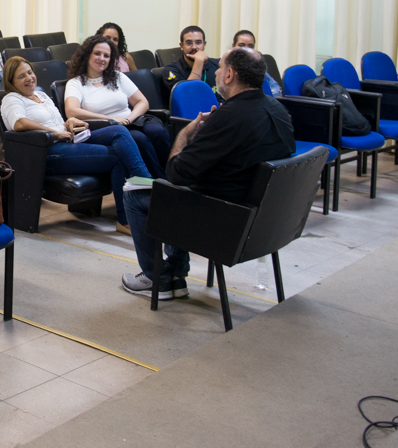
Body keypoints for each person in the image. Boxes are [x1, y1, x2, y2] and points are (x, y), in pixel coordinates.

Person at [121, 47, 295, 300]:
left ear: (229, 75)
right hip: (265, 221)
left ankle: (158, 277)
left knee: (136, 196)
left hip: (223, 221)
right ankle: (175, 274)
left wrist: (187, 134)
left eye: (220, 67)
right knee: (182, 191)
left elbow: (176, 172)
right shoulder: (278, 110)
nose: (215, 73)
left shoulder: (228, 118)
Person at [1, 56, 152, 231]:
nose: (29, 78)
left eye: (29, 72)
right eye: (21, 76)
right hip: (46, 152)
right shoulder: (12, 98)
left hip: (67, 140)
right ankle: (135, 207)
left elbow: (56, 122)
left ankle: (144, 181)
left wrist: (69, 123)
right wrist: (55, 132)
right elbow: (19, 123)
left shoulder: (41, 95)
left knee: (119, 131)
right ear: (11, 81)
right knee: (118, 156)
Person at [64, 35, 171, 183]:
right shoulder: (75, 83)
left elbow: (142, 102)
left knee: (158, 132)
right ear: (87, 54)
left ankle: (173, 177)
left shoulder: (117, 76)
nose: (102, 58)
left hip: (133, 120)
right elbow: (72, 111)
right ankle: (159, 184)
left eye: (106, 56)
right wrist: (112, 119)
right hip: (107, 127)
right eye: (97, 53)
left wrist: (131, 118)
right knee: (140, 139)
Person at [163, 25, 220, 94]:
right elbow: (189, 95)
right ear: (181, 46)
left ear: (204, 44)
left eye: (198, 42)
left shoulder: (218, 65)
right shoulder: (171, 70)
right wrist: (199, 61)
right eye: (189, 43)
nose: (194, 47)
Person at [233, 30, 281, 96]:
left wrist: (271, 98)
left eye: (250, 46)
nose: (246, 49)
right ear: (233, 46)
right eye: (241, 45)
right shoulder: (226, 66)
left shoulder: (256, 66)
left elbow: (275, 87)